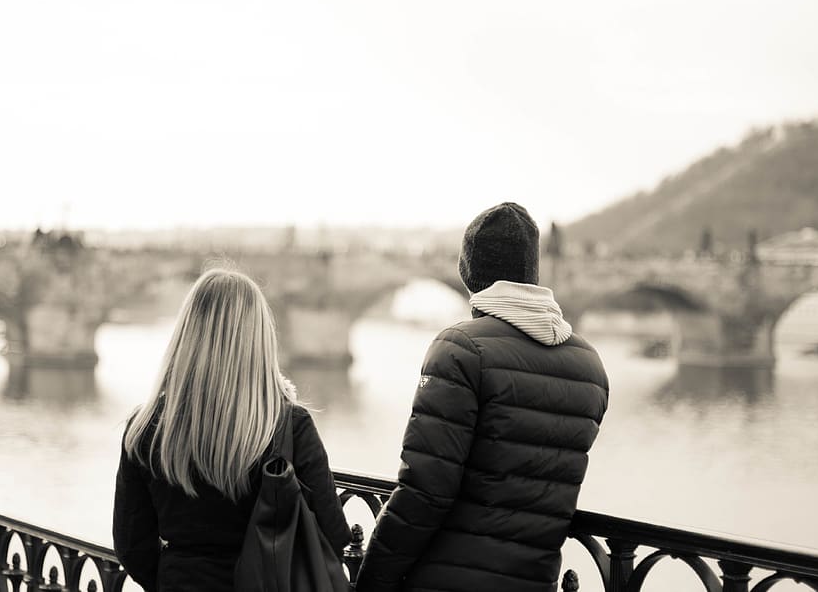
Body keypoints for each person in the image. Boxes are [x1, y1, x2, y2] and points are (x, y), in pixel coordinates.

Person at [354, 202, 609, 592]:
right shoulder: (590, 367)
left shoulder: (459, 349)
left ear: (471, 273)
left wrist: (371, 581)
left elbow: (424, 491)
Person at [112, 268, 352, 592]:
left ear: (186, 336)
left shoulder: (145, 429)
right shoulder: (289, 427)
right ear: (259, 340)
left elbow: (131, 544)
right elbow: (333, 535)